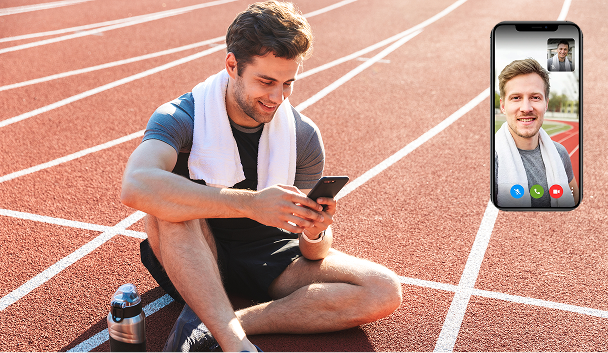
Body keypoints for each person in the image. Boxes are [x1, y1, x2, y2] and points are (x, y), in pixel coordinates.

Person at [120, 2, 402, 353]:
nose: (277, 97)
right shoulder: (181, 117)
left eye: (287, 84)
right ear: (232, 65)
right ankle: (236, 344)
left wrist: (315, 231)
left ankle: (223, 323)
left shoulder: (302, 136)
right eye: (266, 81)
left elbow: (312, 249)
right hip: (192, 252)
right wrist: (252, 204)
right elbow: (136, 184)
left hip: (268, 257)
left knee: (383, 289)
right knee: (169, 208)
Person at [494, 58, 579, 208]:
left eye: (535, 97)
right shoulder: (489, 160)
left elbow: (574, 197)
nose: (526, 108)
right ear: (502, 106)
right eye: (516, 98)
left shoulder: (560, 153)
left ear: (546, 104)